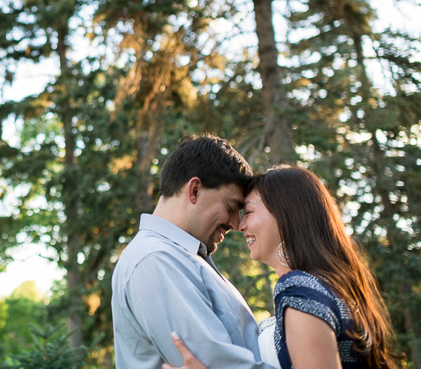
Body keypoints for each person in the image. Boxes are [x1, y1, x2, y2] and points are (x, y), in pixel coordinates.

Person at [163, 165, 400, 369]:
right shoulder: (332, 287)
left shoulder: (299, 289)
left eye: (249, 212)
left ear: (286, 215)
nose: (240, 225)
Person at [111, 134, 273, 369]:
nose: (236, 225)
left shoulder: (182, 257)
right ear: (195, 190)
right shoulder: (156, 260)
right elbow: (220, 365)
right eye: (231, 208)